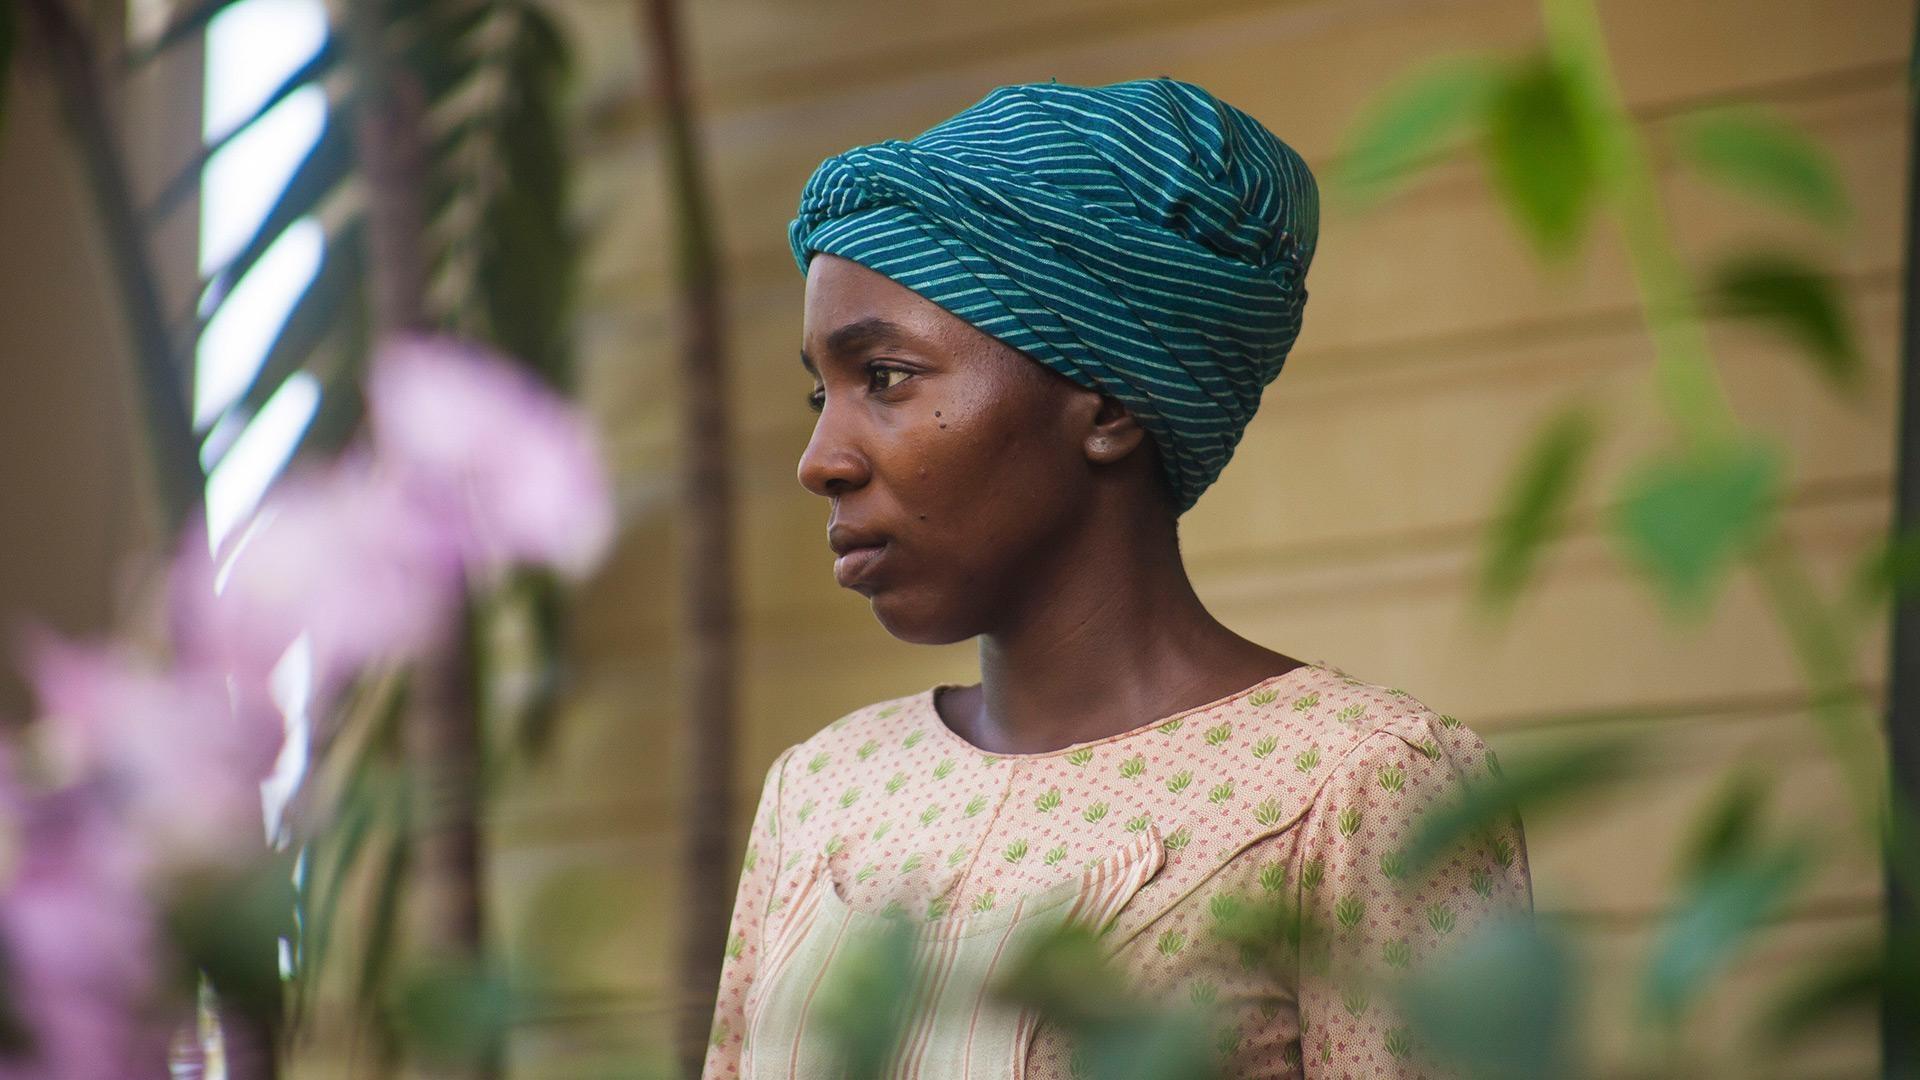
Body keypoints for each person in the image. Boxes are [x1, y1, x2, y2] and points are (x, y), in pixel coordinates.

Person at [701, 76, 1532, 1079]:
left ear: (1107, 406)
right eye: (820, 393)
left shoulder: (1356, 786)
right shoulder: (824, 790)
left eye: (885, 377)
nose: (819, 460)